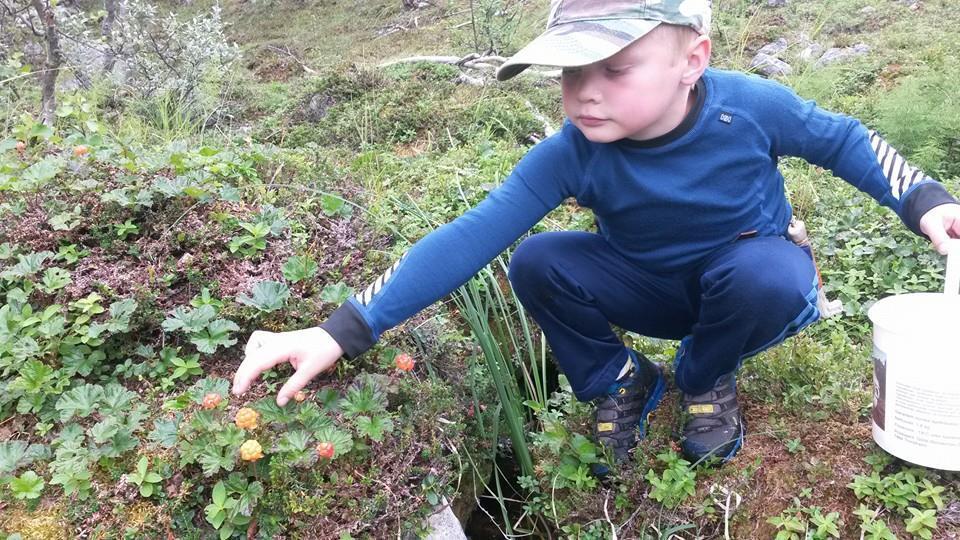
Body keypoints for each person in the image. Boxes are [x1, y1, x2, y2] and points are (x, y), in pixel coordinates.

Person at [232, 0, 960, 472]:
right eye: (571, 71)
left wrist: (926, 202)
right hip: (645, 287)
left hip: (746, 286)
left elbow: (847, 142)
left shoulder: (749, 107)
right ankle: (620, 380)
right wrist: (342, 329)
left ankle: (705, 375)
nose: (585, 91)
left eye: (616, 68)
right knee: (539, 258)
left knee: (766, 273)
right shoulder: (572, 151)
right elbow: (471, 233)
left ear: (692, 62)